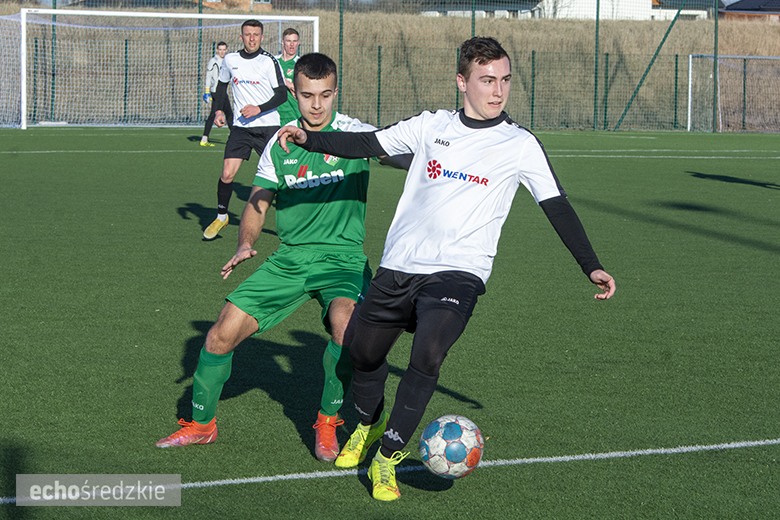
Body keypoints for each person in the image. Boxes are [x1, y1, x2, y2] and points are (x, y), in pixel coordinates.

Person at [277, 36, 616, 501]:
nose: (498, 91)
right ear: (462, 82)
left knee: (429, 353)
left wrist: (591, 266)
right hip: (400, 265)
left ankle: (388, 457)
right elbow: (366, 142)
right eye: (486, 80)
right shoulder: (430, 126)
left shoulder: (520, 144)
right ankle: (370, 425)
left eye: (504, 81)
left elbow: (556, 205)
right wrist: (310, 138)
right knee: (362, 354)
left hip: (459, 272)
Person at [157, 52, 407, 463]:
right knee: (220, 333)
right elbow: (258, 201)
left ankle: (328, 420)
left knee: (346, 327)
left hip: (342, 260)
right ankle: (201, 426)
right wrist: (244, 242)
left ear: (335, 92)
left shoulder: (356, 134)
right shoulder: (281, 141)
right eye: (308, 95)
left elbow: (402, 157)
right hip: (289, 259)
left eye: (325, 95)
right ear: (295, 91)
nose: (317, 105)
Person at [203, 19, 288, 240]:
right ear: (241, 37)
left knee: (282, 178)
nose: (252, 39)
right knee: (227, 174)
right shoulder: (230, 60)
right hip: (241, 128)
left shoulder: (269, 61)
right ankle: (222, 216)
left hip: (268, 126)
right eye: (248, 34)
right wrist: (219, 112)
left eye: (256, 35)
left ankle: (294, 223)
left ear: (262, 37)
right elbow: (221, 88)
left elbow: (282, 94)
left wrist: (259, 108)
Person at [200, 42, 233, 147]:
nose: (222, 51)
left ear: (227, 50)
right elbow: (208, 76)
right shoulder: (213, 61)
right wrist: (206, 91)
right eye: (220, 49)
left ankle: (204, 139)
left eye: (224, 49)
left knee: (225, 113)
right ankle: (234, 137)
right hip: (217, 91)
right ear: (217, 50)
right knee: (227, 114)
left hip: (223, 91)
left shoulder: (226, 61)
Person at [275, 28, 302, 126]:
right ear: (282, 42)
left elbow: (303, 89)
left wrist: (290, 85)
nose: (292, 44)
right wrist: (286, 82)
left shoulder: (301, 64)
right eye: (288, 41)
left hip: (293, 114)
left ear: (298, 43)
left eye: (294, 41)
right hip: (274, 113)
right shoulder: (274, 61)